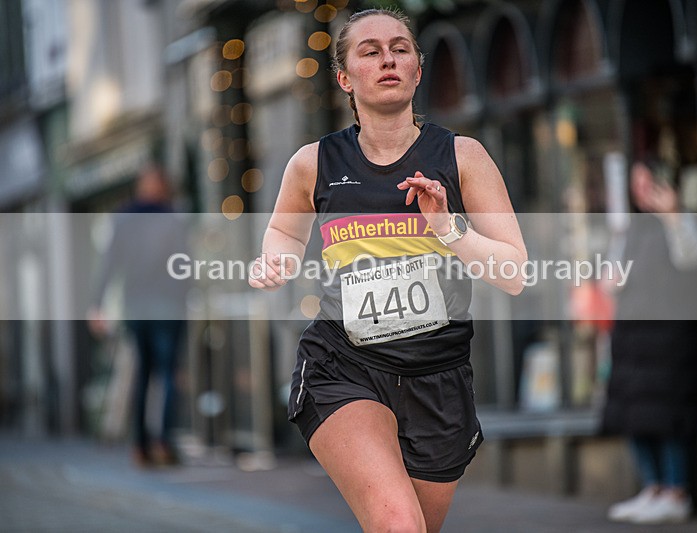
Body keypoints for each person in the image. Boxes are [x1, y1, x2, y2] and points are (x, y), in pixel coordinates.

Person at [249, 8, 526, 532]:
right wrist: (278, 261)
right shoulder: (314, 163)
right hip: (343, 366)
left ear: (418, 71)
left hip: (438, 378)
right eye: (370, 52)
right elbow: (285, 233)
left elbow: (514, 272)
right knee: (399, 523)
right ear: (344, 78)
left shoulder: (462, 157)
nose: (387, 60)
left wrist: (448, 228)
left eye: (400, 49)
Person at [602, 158, 697, 525]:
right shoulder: (630, 229)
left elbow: (694, 258)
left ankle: (677, 491)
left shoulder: (683, 221)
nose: (642, 190)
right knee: (633, 414)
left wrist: (674, 215)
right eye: (637, 182)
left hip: (670, 337)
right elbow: (609, 279)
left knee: (669, 413)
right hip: (633, 338)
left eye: (649, 181)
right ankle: (654, 486)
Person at [88, 164, 189, 468]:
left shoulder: (124, 217)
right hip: (167, 306)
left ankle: (141, 446)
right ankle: (162, 442)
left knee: (144, 374)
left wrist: (97, 303)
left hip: (136, 305)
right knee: (166, 374)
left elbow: (110, 261)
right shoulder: (173, 216)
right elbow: (185, 264)